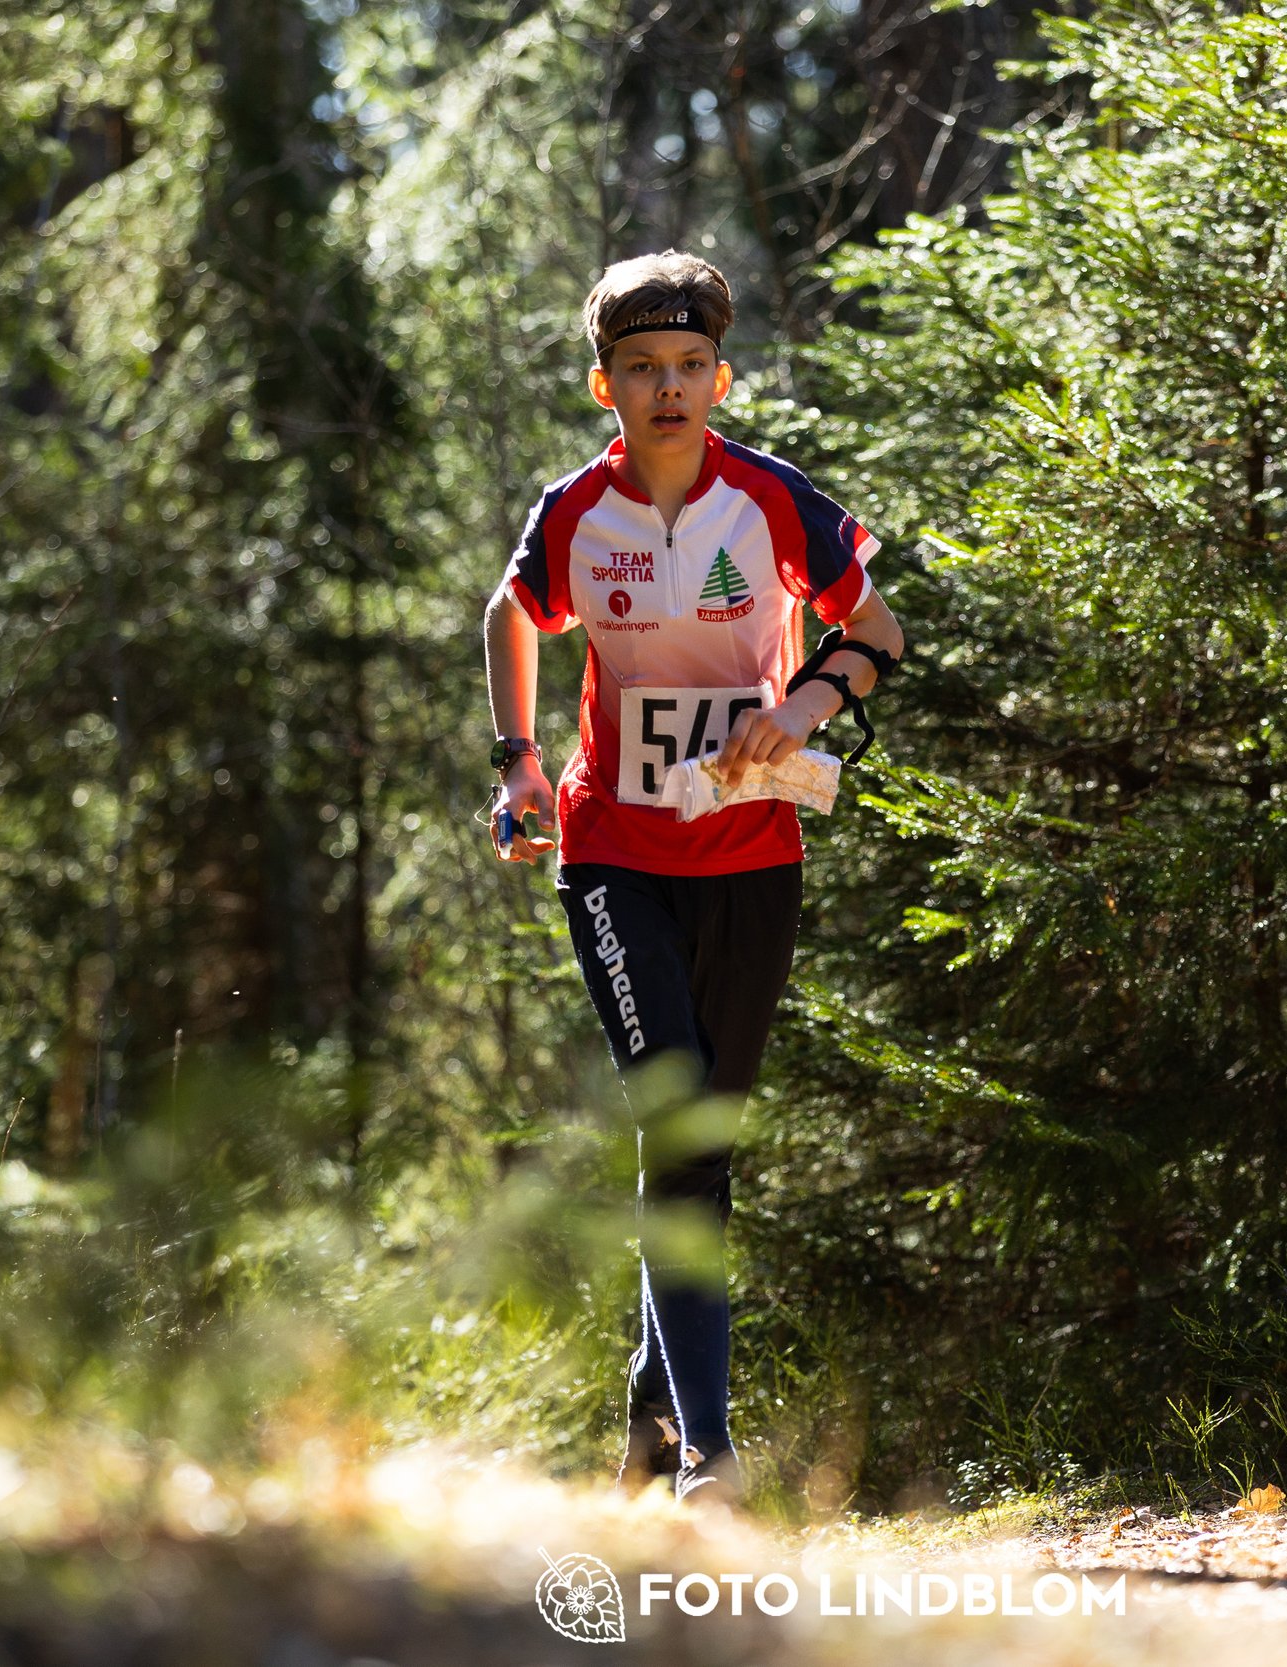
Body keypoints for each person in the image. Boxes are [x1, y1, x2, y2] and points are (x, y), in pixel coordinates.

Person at [481, 251, 905, 1511]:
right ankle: (707, 1460)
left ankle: (651, 1431)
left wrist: (810, 696)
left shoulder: (771, 503)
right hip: (611, 849)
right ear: (603, 382)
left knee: (699, 1146)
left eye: (687, 369)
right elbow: (511, 611)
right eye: (639, 370)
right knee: (676, 1124)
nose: (666, 390)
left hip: (751, 852)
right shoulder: (575, 511)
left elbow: (875, 630)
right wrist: (515, 764)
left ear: (721, 377)